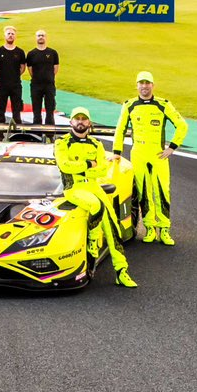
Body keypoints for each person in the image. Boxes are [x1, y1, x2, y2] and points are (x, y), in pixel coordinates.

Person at [56, 108, 136, 287]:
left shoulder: (96, 144)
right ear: (71, 122)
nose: (81, 121)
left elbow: (101, 169)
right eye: (77, 118)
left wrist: (81, 167)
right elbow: (64, 165)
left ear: (89, 123)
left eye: (84, 119)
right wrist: (88, 164)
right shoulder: (62, 143)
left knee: (114, 227)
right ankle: (93, 241)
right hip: (74, 188)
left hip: (94, 186)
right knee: (95, 205)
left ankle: (121, 271)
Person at [112, 71, 188, 245]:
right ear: (137, 85)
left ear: (153, 85)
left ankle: (165, 229)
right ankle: (149, 228)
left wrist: (172, 147)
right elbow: (120, 129)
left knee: (162, 191)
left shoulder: (163, 104)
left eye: (147, 83)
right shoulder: (129, 105)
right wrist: (117, 151)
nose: (144, 86)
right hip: (138, 153)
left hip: (158, 154)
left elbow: (182, 126)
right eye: (141, 83)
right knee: (143, 191)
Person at [0, 27, 27, 126]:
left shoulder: (20, 52)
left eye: (12, 34)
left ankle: (17, 133)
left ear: (15, 36)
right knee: (0, 110)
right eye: (8, 34)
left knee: (17, 110)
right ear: (5, 36)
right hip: (1, 85)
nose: (10, 35)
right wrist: (1, 76)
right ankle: (0, 134)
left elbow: (22, 67)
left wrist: (14, 75)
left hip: (15, 85)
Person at [26, 29, 60, 126]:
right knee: (36, 112)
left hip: (49, 85)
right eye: (39, 35)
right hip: (36, 85)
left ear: (46, 37)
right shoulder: (31, 54)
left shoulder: (53, 53)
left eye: (42, 35)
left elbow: (55, 69)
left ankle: (49, 134)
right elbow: (30, 70)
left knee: (50, 111)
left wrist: (49, 77)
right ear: (36, 38)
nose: (41, 37)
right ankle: (37, 133)